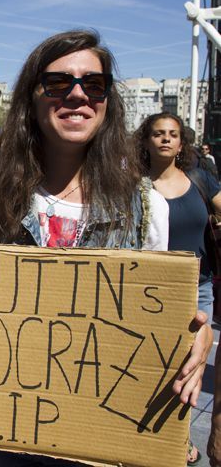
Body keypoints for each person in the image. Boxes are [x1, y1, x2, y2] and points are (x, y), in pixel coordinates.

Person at [0, 30, 212, 467]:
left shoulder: (148, 207)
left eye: (94, 85)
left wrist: (194, 334)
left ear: (108, 103)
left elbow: (156, 314)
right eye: (58, 83)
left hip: (105, 442)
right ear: (31, 99)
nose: (78, 95)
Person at [135, 112, 220, 465]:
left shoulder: (201, 178)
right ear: (146, 141)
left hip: (198, 289)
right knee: (152, 365)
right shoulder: (133, 185)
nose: (166, 139)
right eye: (158, 134)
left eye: (172, 134)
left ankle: (180, 439)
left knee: (190, 369)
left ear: (182, 142)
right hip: (152, 290)